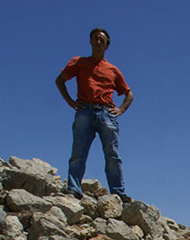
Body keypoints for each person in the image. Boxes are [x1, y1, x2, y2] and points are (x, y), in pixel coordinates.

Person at [55, 27, 134, 201]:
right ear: (90, 41)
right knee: (78, 153)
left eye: (102, 40)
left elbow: (129, 94)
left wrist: (120, 110)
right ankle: (74, 189)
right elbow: (60, 80)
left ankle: (118, 193)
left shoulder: (113, 70)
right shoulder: (79, 62)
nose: (98, 42)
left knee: (112, 156)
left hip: (107, 113)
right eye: (95, 39)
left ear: (107, 46)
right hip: (85, 111)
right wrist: (70, 101)